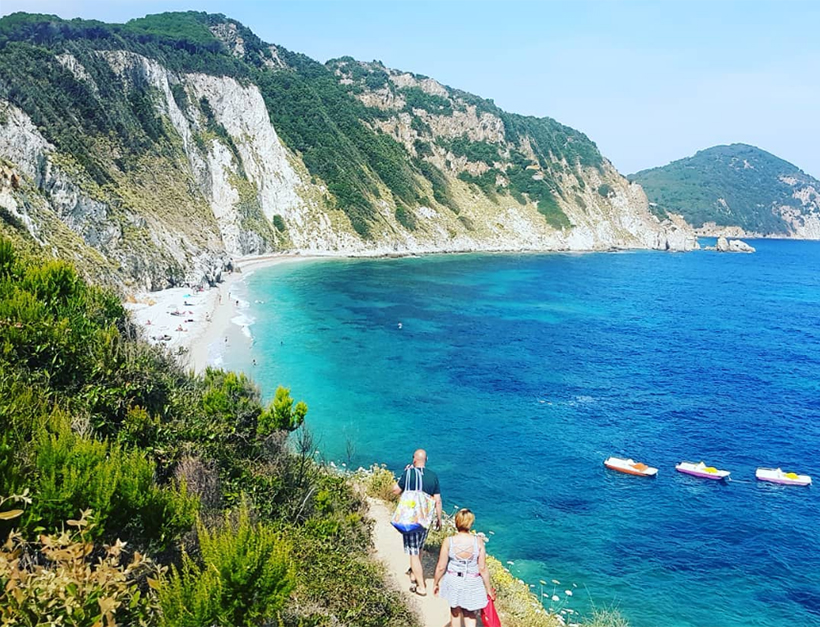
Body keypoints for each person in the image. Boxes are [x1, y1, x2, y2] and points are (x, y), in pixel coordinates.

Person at [392, 449, 442, 597]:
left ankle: (421, 586)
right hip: (425, 519)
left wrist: (403, 475)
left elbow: (395, 491)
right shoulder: (433, 476)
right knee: (419, 547)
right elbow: (437, 500)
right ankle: (414, 574)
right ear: (426, 459)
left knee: (413, 553)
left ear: (414, 459)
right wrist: (439, 519)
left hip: (410, 520)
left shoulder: (408, 474)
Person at [433, 508, 495, 626]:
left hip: (453, 580)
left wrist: (436, 582)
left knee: (455, 612)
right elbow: (482, 568)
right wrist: (488, 589)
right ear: (470, 523)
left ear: (457, 522)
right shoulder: (478, 542)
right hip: (472, 581)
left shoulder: (449, 541)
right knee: (470, 614)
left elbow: (441, 566)